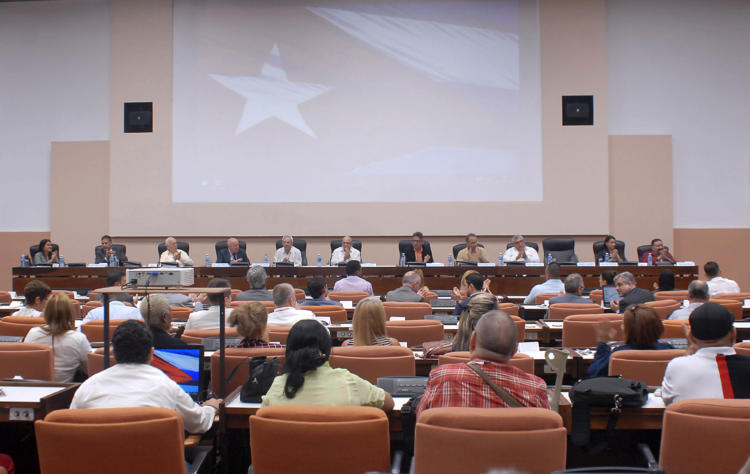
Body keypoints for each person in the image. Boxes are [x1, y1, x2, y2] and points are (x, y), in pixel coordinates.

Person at [70, 320, 221, 434]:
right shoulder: (166, 386)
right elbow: (199, 424)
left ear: (114, 353)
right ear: (151, 354)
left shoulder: (88, 387)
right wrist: (210, 407)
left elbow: (71, 430)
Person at [417, 311, 549, 416]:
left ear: (472, 341)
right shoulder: (535, 388)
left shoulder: (442, 377)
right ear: (514, 350)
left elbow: (422, 422)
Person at [262, 320, 394, 410]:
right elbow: (389, 403)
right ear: (327, 350)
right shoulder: (349, 381)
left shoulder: (277, 386)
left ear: (289, 351)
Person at [661, 302, 750, 405]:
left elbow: (668, 402)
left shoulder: (676, 367)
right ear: (734, 334)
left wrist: (689, 352)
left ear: (691, 337)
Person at [587, 305, 674, 377]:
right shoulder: (670, 351)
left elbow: (594, 373)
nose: (621, 327)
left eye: (622, 324)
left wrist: (602, 343)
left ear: (628, 330)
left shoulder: (619, 354)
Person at [24, 293, 91, 382]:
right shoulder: (78, 338)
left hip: (34, 389)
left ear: (46, 312)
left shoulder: (33, 333)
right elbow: (90, 369)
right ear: (70, 313)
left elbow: (26, 363)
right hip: (63, 392)